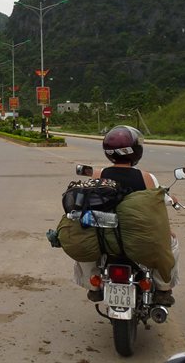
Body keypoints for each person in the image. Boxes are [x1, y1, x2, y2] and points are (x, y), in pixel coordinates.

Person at [74, 125, 179, 307]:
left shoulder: (99, 174)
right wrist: (172, 200)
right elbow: (161, 201)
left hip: (106, 238)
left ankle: (94, 285)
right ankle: (163, 290)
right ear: (136, 152)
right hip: (139, 240)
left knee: (84, 241)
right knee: (172, 243)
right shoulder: (146, 177)